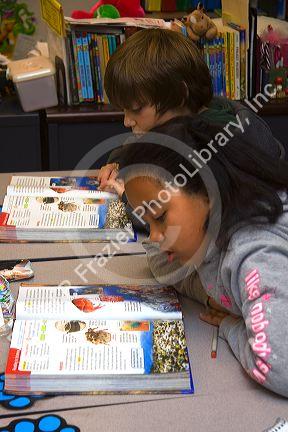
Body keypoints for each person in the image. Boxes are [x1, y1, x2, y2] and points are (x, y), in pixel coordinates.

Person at [115, 116, 288, 398]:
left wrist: (233, 325)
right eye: (148, 223)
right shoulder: (206, 233)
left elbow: (278, 367)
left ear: (207, 192)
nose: (155, 236)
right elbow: (160, 260)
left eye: (160, 218)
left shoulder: (255, 255)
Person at [97, 28, 285, 195]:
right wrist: (118, 165)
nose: (127, 121)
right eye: (124, 110)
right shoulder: (179, 122)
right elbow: (135, 148)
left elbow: (172, 215)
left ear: (179, 95)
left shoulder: (214, 145)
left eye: (136, 109)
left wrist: (127, 197)